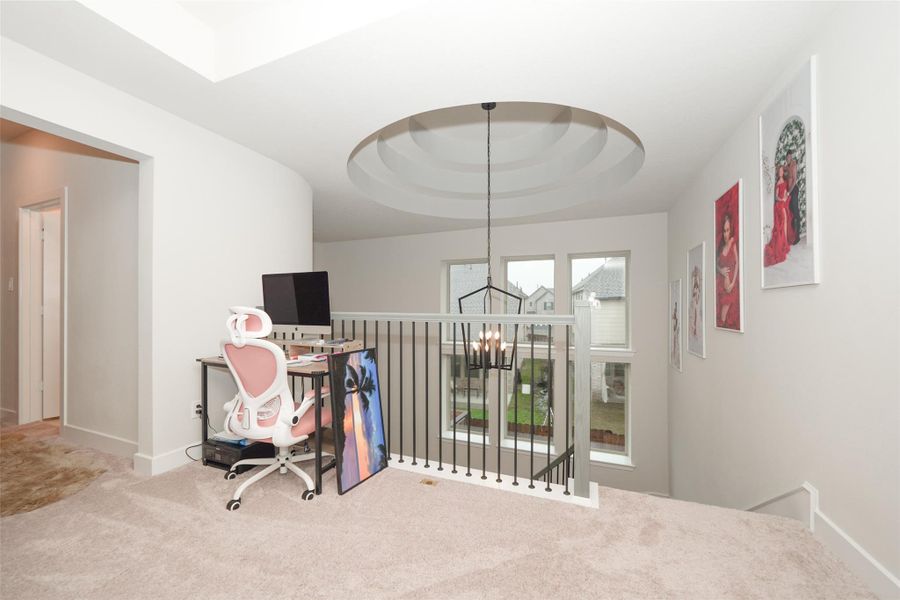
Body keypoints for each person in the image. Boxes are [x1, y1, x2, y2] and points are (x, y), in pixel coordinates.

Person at [764, 164, 798, 266]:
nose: (780, 173)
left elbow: (786, 192)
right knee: (783, 220)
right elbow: (776, 197)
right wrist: (781, 199)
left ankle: (785, 243)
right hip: (780, 205)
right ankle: (783, 245)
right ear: (778, 173)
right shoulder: (778, 182)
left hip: (784, 203)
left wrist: (785, 196)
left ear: (783, 172)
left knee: (786, 222)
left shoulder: (785, 181)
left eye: (781, 171)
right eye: (779, 172)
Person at [716, 213, 740, 329]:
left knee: (724, 320)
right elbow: (716, 264)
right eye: (724, 231)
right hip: (721, 286)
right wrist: (720, 270)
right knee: (721, 319)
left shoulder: (733, 244)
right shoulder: (721, 247)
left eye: (728, 230)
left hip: (730, 288)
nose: (726, 234)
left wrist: (733, 283)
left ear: (731, 230)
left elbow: (737, 263)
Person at [785, 151, 801, 244]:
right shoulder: (787, 166)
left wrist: (788, 192)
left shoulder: (794, 165)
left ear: (791, 157)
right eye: (787, 157)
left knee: (795, 213)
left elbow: (794, 180)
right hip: (789, 192)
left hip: (793, 191)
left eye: (790, 156)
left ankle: (797, 237)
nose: (788, 158)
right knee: (791, 213)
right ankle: (792, 236)